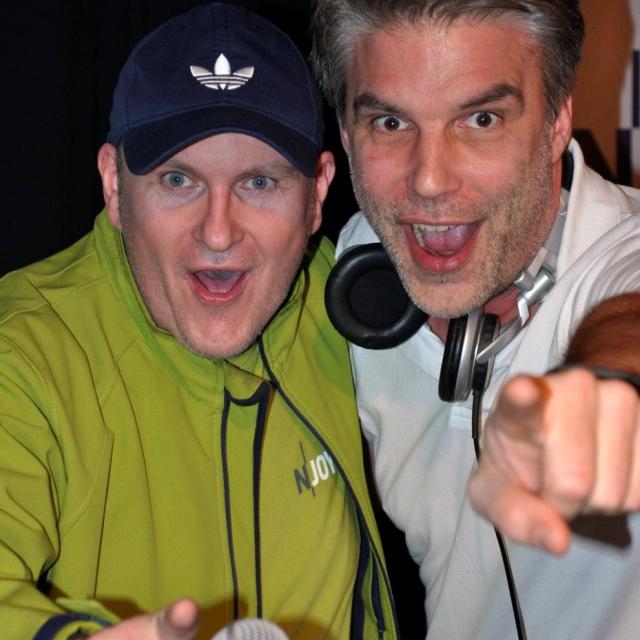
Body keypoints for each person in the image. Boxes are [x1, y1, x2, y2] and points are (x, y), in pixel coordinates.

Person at [0, 3, 400, 639]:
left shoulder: (357, 302)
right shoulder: (24, 352)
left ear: (318, 193)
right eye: (178, 179)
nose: (218, 233)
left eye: (259, 183)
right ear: (114, 185)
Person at [310, 1, 640, 638]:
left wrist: (606, 386)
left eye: (481, 119)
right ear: (347, 137)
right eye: (390, 122)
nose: (430, 180)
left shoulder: (622, 254)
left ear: (556, 121)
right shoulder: (357, 271)